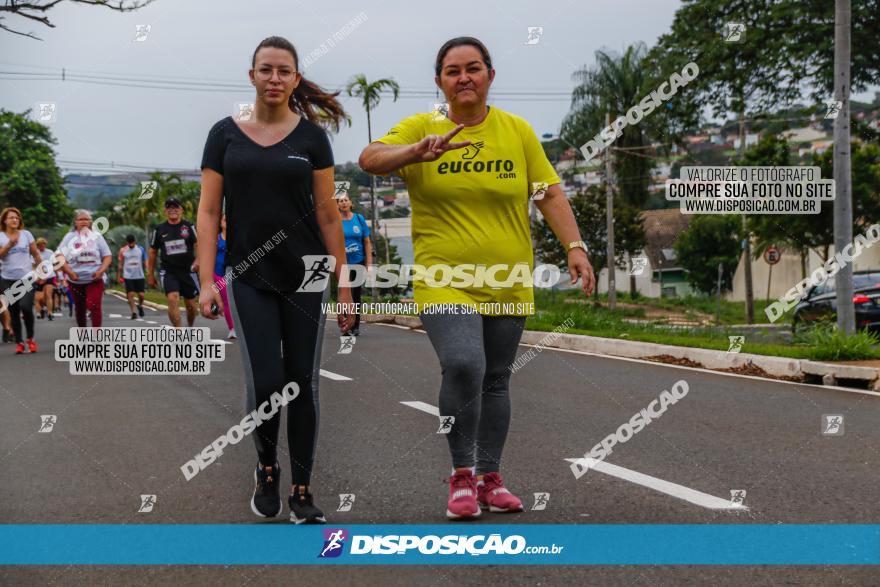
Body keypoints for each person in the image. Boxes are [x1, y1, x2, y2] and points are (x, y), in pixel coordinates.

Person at [359, 37, 595, 520]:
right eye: (452, 70)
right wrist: (413, 153)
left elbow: (547, 191)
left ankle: (491, 479)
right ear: (439, 81)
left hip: (507, 276)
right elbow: (369, 158)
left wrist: (575, 247)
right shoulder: (422, 127)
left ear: (489, 74)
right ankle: (461, 476)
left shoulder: (517, 131)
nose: (463, 77)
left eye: (472, 68)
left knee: (495, 380)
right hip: (442, 276)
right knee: (465, 363)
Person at [197, 35, 354, 524]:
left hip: (307, 276)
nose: (274, 78)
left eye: (284, 71)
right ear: (252, 76)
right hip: (248, 274)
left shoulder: (311, 139)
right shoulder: (224, 135)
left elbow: (329, 217)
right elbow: (207, 212)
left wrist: (345, 287)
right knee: (266, 383)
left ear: (295, 79)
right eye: (266, 70)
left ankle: (303, 490)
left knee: (302, 384)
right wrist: (206, 280)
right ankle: (267, 469)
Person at [147, 198, 199, 328]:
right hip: (169, 270)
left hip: (188, 270)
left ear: (181, 210)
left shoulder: (189, 226)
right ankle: (178, 331)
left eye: (175, 207)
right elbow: (152, 252)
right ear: (165, 211)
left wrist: (198, 260)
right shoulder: (159, 229)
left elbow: (198, 244)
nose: (172, 210)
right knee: (172, 298)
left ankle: (190, 327)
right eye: (169, 207)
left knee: (191, 306)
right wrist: (150, 275)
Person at [56, 210, 112, 328]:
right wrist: (69, 272)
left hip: (94, 279)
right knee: (80, 308)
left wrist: (101, 271)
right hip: (76, 280)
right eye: (81, 219)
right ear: (75, 222)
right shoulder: (69, 237)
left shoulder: (97, 237)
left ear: (91, 222)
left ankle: (97, 336)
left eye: (86, 219)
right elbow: (59, 256)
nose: (84, 222)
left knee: (94, 305)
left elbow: (107, 256)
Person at [0, 207, 43, 353]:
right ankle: (19, 342)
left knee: (26, 307)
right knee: (14, 312)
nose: (15, 220)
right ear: (5, 220)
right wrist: (9, 245)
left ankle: (30, 338)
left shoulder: (26, 234)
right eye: (11, 217)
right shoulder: (1, 237)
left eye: (17, 218)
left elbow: (36, 254)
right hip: (7, 279)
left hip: (26, 278)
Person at [336, 193, 371, 336]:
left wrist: (369, 264)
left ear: (350, 202)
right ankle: (345, 326)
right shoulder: (336, 221)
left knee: (356, 295)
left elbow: (367, 242)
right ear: (337, 205)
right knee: (344, 295)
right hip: (343, 264)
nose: (343, 203)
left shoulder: (359, 219)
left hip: (358, 262)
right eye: (340, 201)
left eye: (346, 200)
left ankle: (355, 326)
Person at [212, 215, 236, 339]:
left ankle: (240, 326)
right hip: (218, 274)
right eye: (224, 219)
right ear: (220, 222)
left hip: (234, 273)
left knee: (237, 302)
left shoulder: (235, 238)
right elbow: (210, 258)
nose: (227, 222)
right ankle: (232, 328)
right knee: (226, 302)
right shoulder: (217, 239)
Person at [117, 234, 146, 320]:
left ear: (135, 241)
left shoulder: (140, 249)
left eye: (132, 243)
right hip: (128, 276)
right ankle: (133, 312)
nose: (131, 245)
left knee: (141, 295)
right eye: (129, 243)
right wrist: (118, 276)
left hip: (139, 275)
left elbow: (145, 260)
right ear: (127, 242)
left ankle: (140, 306)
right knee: (131, 294)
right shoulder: (123, 250)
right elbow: (120, 264)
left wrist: (148, 272)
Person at [34, 237, 56, 321]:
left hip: (49, 276)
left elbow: (53, 264)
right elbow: (33, 266)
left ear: (45, 244)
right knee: (38, 298)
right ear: (37, 245)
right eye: (40, 245)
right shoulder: (35, 253)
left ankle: (50, 313)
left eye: (43, 244)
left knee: (48, 294)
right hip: (39, 277)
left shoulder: (50, 252)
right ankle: (39, 311)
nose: (42, 246)